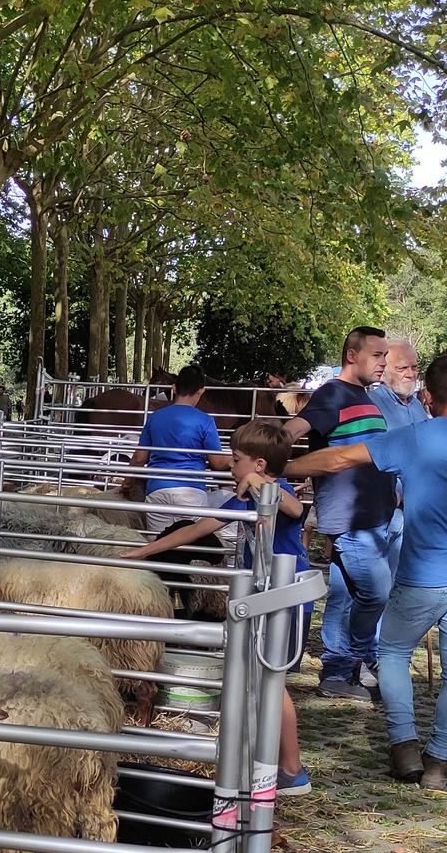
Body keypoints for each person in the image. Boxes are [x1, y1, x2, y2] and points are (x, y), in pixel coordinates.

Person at [289, 354, 447, 789]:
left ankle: (404, 744)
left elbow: (338, 460)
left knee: (393, 653)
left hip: (426, 573)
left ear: (427, 397)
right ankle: (440, 761)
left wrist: (281, 466)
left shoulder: (414, 437)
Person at [120, 419, 310, 795]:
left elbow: (293, 509)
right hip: (262, 596)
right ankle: (269, 759)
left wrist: (260, 485)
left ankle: (293, 769)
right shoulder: (239, 498)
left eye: (236, 459)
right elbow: (198, 528)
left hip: (285, 599)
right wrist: (143, 551)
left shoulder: (277, 490)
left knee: (272, 681)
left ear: (257, 465)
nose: (229, 463)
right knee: (260, 680)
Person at [284, 325, 395, 700]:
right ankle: (363, 657)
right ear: (352, 356)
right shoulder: (332, 394)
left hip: (376, 516)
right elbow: (293, 430)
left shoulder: (365, 397)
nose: (384, 362)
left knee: (345, 594)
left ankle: (335, 672)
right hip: (351, 520)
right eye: (377, 355)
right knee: (377, 593)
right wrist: (270, 461)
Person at [128, 363, 229, 534]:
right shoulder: (205, 421)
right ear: (201, 391)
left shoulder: (155, 418)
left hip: (158, 490)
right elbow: (217, 462)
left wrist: (127, 482)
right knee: (189, 547)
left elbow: (139, 458)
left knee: (157, 545)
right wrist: (235, 459)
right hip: (191, 492)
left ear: (174, 388)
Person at [370, 336, 427, 430]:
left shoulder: (416, 404)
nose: (410, 374)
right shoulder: (371, 406)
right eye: (402, 368)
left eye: (414, 367)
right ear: (383, 372)